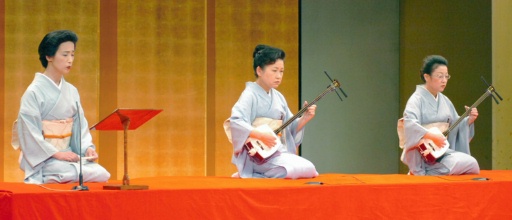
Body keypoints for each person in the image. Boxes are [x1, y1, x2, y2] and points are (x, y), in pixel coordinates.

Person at [14, 30, 110, 184]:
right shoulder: (33, 92)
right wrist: (57, 154)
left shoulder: (72, 91)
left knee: (102, 173)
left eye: (72, 54)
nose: (70, 60)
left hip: (69, 156)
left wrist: (87, 148)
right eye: (65, 55)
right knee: (71, 172)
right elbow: (29, 133)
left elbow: (80, 127)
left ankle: (54, 178)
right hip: (44, 158)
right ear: (49, 56)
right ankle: (47, 176)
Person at [227, 44, 318, 179]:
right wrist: (260, 135)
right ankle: (252, 173)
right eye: (274, 70)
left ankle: (257, 175)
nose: (278, 76)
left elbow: (289, 128)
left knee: (309, 169)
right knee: (292, 170)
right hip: (257, 155)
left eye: (281, 71)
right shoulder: (249, 95)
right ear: (259, 71)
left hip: (275, 152)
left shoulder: (279, 97)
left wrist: (305, 118)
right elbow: (236, 122)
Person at [400, 55, 480, 175]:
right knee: (463, 165)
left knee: (472, 164)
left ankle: (429, 173)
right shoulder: (416, 100)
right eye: (440, 76)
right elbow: (410, 125)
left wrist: (469, 120)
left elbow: (455, 124)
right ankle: (420, 171)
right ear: (427, 76)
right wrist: (430, 135)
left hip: (440, 152)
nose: (444, 80)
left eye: (446, 76)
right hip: (422, 154)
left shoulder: (445, 100)